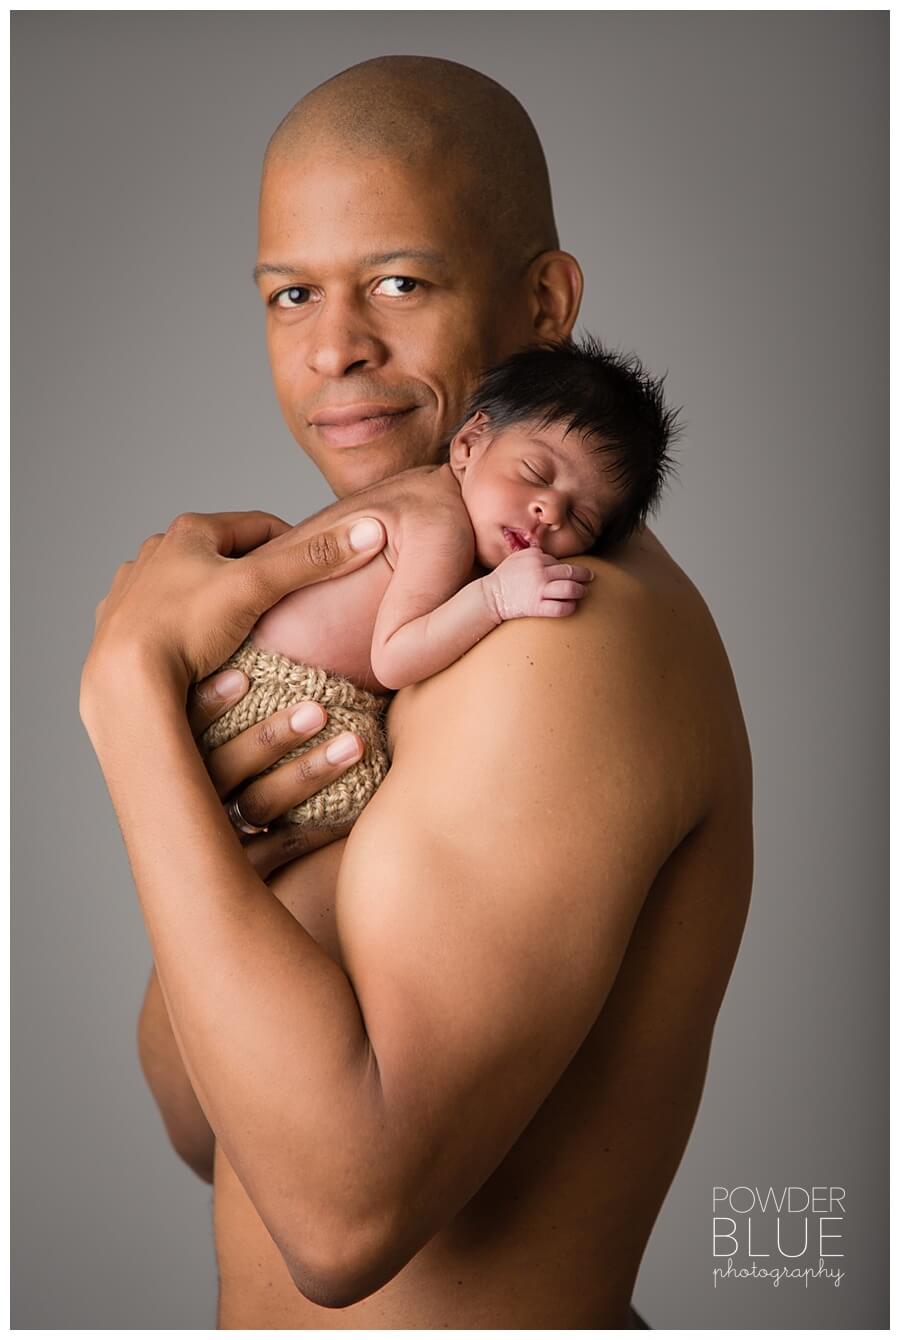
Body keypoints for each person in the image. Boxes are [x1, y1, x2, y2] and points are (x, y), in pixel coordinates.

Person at [81, 56, 753, 1328]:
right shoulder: (399, 622)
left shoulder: (562, 626)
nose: (336, 347)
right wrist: (225, 836)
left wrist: (128, 702)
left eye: (399, 280)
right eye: (291, 294)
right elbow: (199, 1116)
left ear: (545, 301)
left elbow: (340, 1222)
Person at [201, 337, 676, 830]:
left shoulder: (430, 493)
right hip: (267, 693)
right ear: (470, 444)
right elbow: (395, 657)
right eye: (536, 472)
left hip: (247, 680)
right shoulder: (439, 524)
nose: (549, 512)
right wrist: (494, 598)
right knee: (370, 790)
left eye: (580, 517)